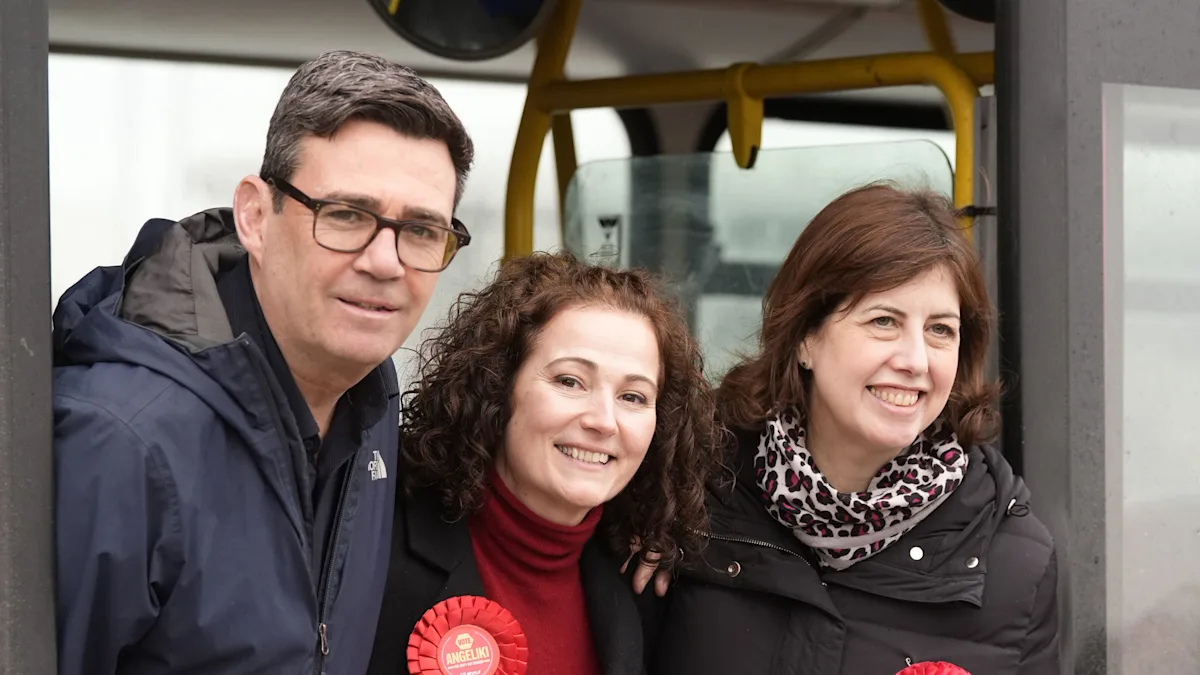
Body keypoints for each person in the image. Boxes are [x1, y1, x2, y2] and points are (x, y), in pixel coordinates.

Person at [52, 50, 474, 675]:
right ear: (254, 215)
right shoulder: (120, 441)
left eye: (419, 230)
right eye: (347, 215)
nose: (385, 262)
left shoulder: (373, 402)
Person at [642, 183, 1059, 675]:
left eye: (940, 330)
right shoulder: (684, 494)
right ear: (805, 339)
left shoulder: (1016, 561)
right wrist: (636, 510)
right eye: (884, 321)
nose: (915, 360)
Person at [366, 251, 723, 675]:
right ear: (497, 387)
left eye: (633, 397)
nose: (603, 421)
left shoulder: (648, 580)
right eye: (570, 381)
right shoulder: (376, 541)